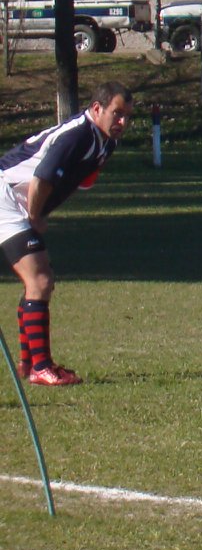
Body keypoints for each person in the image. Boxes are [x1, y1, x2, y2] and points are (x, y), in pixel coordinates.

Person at [5, 82, 134, 386]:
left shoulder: (104, 142)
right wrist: (35, 218)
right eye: (117, 114)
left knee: (38, 280)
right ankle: (41, 367)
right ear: (97, 108)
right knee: (40, 280)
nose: (122, 122)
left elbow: (72, 180)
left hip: (16, 202)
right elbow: (41, 179)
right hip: (7, 198)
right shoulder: (78, 136)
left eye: (128, 116)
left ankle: (28, 363)